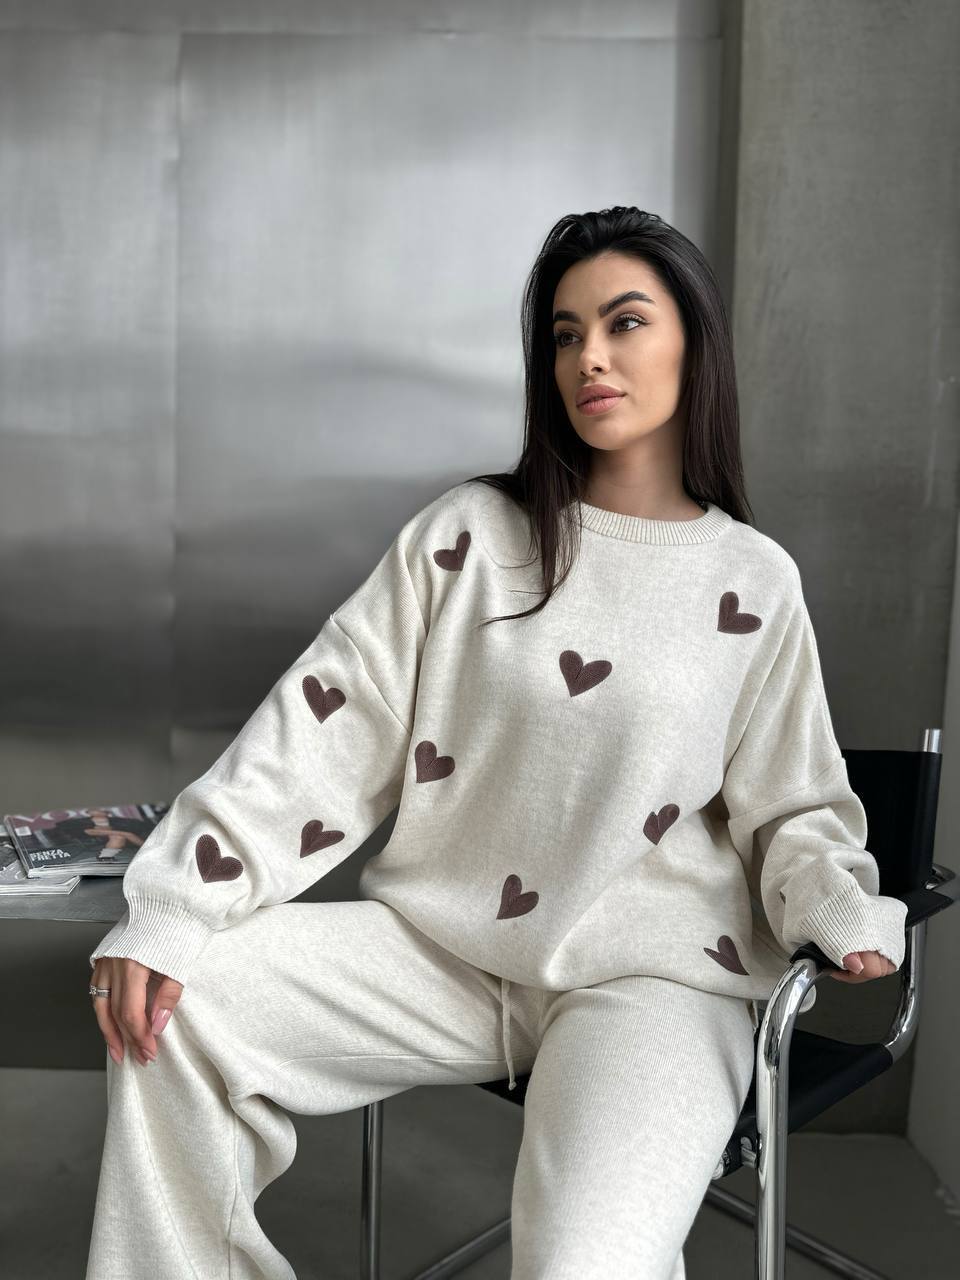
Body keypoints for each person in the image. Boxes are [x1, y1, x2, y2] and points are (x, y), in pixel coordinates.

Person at [85, 207, 905, 1280]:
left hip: (654, 976)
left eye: (623, 322)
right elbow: (324, 724)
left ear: (694, 344)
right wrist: (174, 908)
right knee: (175, 1007)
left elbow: (792, 803)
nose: (590, 358)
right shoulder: (468, 537)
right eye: (564, 334)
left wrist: (840, 906)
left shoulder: (751, 580)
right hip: (448, 946)